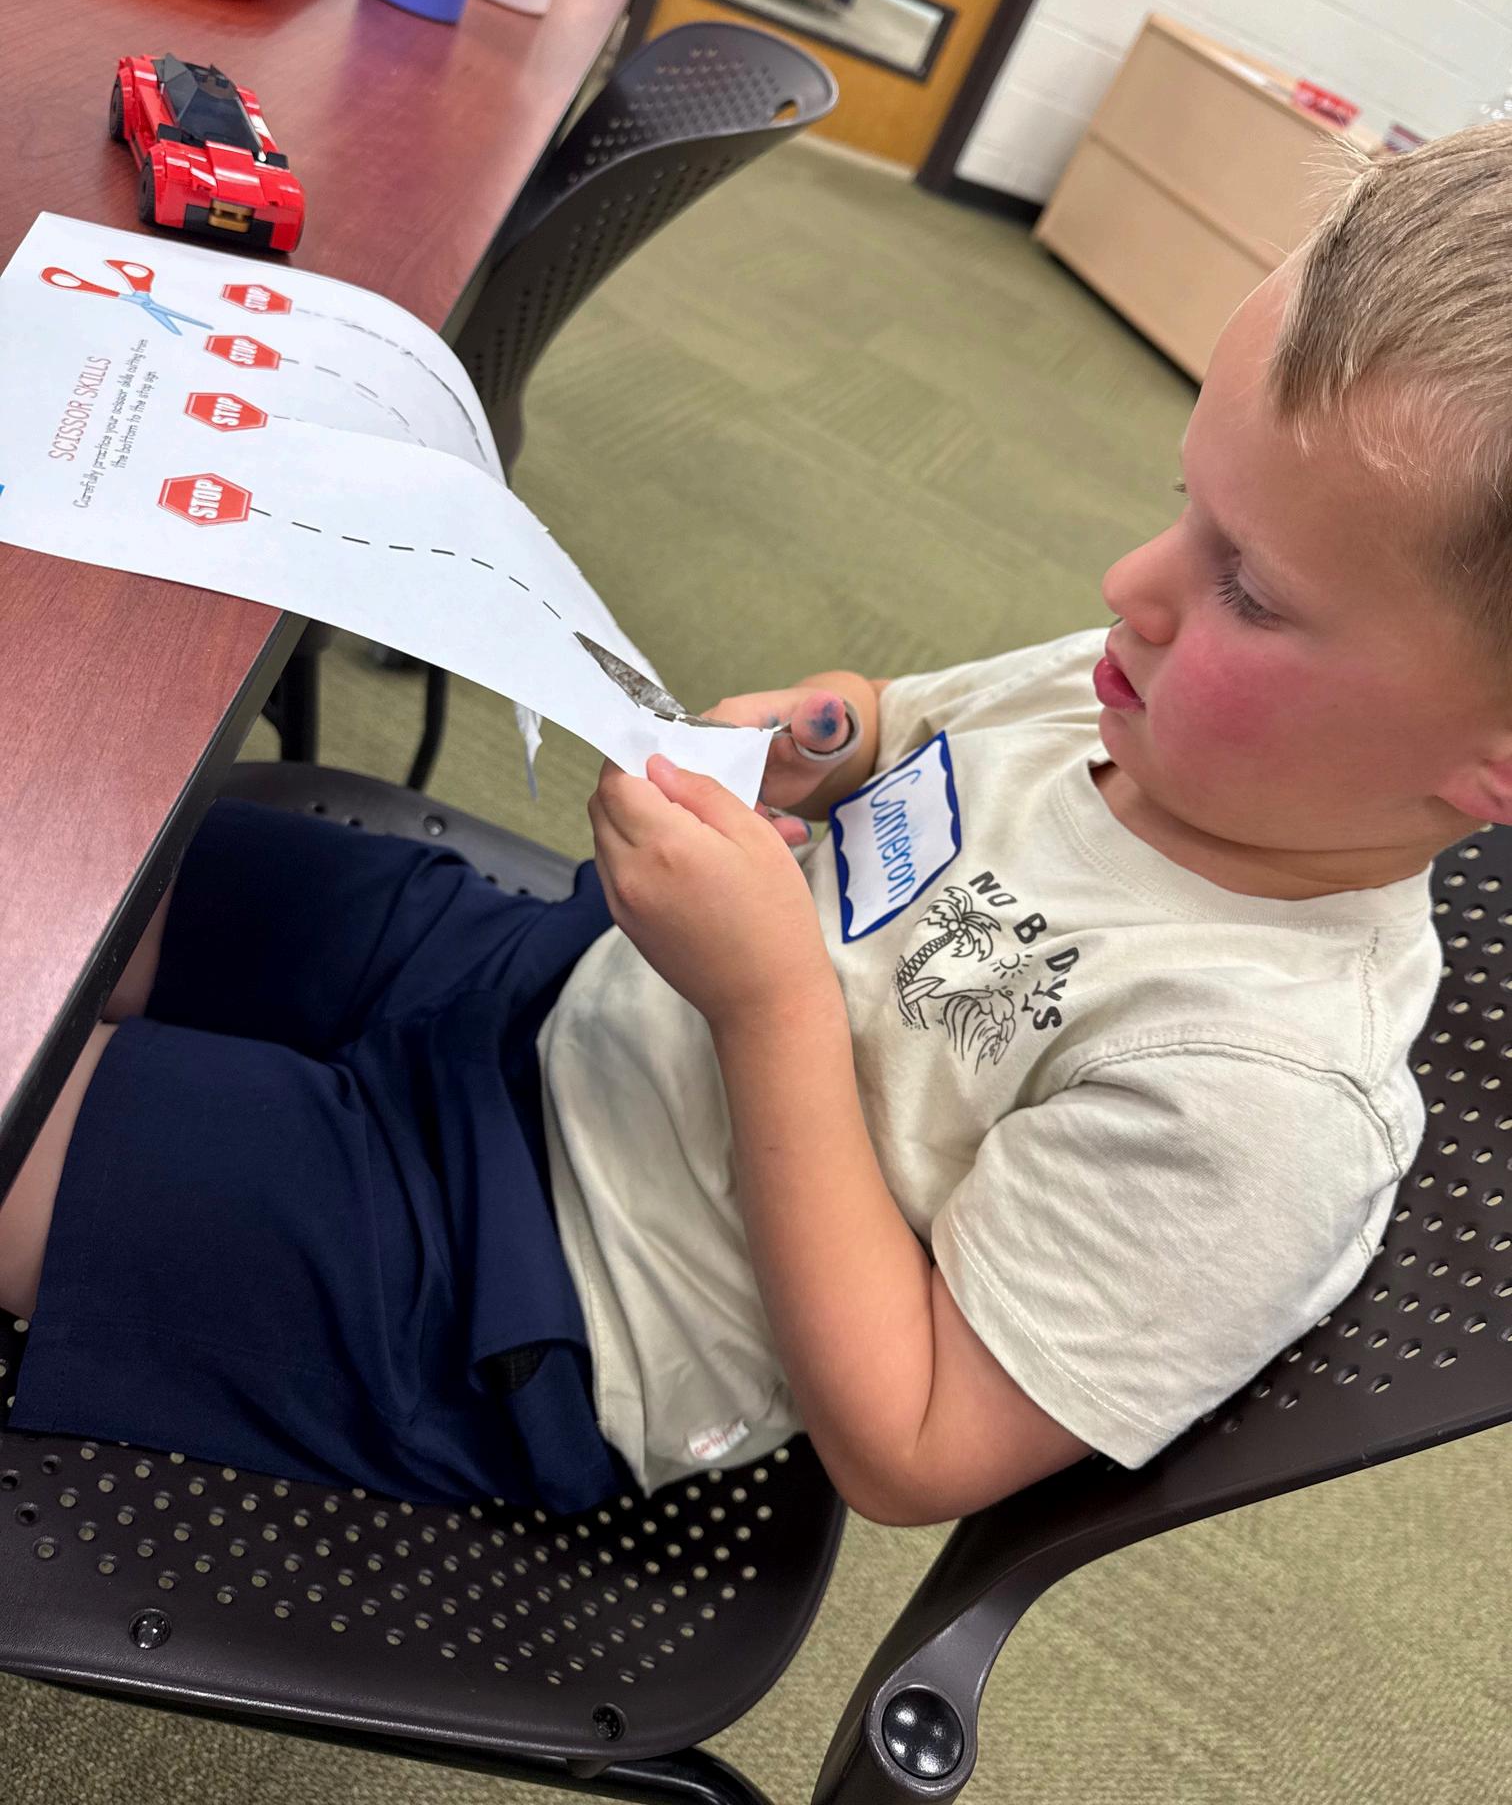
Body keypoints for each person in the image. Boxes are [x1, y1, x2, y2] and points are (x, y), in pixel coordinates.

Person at [4, 124, 1511, 1526]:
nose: (1134, 583)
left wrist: (772, 1001)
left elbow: (912, 1446)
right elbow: (903, 729)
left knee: (36, 1121)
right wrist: (827, 731)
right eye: (1183, 502)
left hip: (555, 1286)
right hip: (565, 996)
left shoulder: (1261, 1102)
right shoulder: (1135, 683)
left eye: (1248, 586)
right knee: (103, 870)